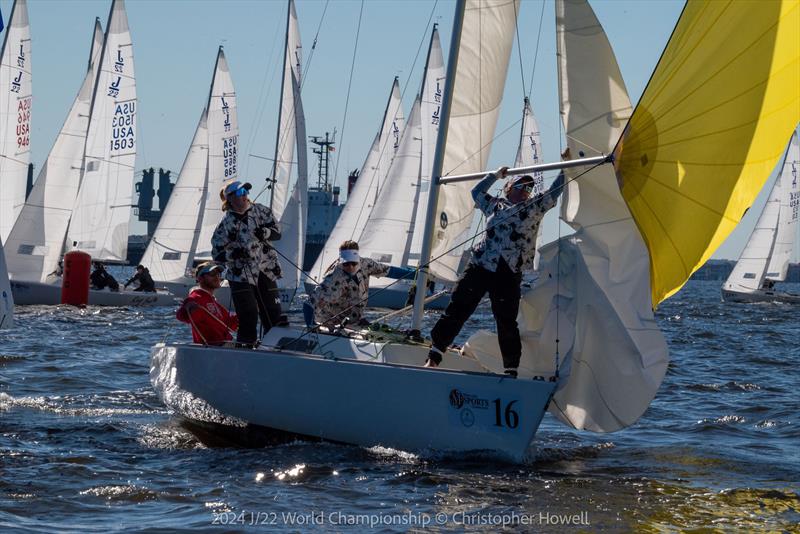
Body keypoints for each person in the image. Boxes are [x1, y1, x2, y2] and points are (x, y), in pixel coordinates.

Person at [424, 161, 566, 377]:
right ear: (509, 188)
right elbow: (476, 192)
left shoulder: (535, 206)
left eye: (529, 188)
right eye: (520, 186)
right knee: (459, 307)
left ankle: (511, 369)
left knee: (506, 320)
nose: (525, 191)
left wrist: (565, 167)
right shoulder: (494, 204)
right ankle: (434, 355)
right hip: (481, 265)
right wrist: (494, 175)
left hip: (508, 272)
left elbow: (555, 191)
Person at [211, 180, 283, 346]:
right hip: (240, 275)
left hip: (266, 269)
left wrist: (265, 232)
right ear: (229, 198)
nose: (244, 196)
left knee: (273, 313)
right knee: (249, 313)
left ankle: (273, 347)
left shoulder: (261, 211)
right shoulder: (225, 224)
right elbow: (217, 253)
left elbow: (277, 233)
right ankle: (245, 346)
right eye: (239, 193)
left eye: (245, 192)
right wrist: (233, 253)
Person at [303, 240, 415, 329]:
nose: (350, 267)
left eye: (353, 263)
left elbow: (390, 271)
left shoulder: (366, 264)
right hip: (330, 322)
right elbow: (308, 304)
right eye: (346, 263)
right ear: (341, 261)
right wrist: (311, 326)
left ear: (358, 259)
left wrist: (416, 274)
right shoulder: (332, 278)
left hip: (354, 321)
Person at [176, 261, 238, 345]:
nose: (217, 277)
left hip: (224, 347)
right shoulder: (196, 297)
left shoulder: (214, 303)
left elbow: (230, 325)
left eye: (218, 274)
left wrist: (247, 311)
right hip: (213, 348)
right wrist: (189, 308)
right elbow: (181, 316)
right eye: (212, 274)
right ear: (200, 278)